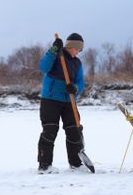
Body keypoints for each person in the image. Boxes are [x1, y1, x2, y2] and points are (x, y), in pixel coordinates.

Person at [37, 33, 86, 173]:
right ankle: (44, 165)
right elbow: (44, 67)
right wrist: (52, 50)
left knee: (74, 130)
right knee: (50, 130)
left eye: (80, 50)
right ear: (70, 46)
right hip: (51, 99)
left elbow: (81, 81)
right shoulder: (57, 55)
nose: (78, 52)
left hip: (69, 100)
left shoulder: (77, 63)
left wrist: (75, 88)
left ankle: (76, 164)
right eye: (77, 49)